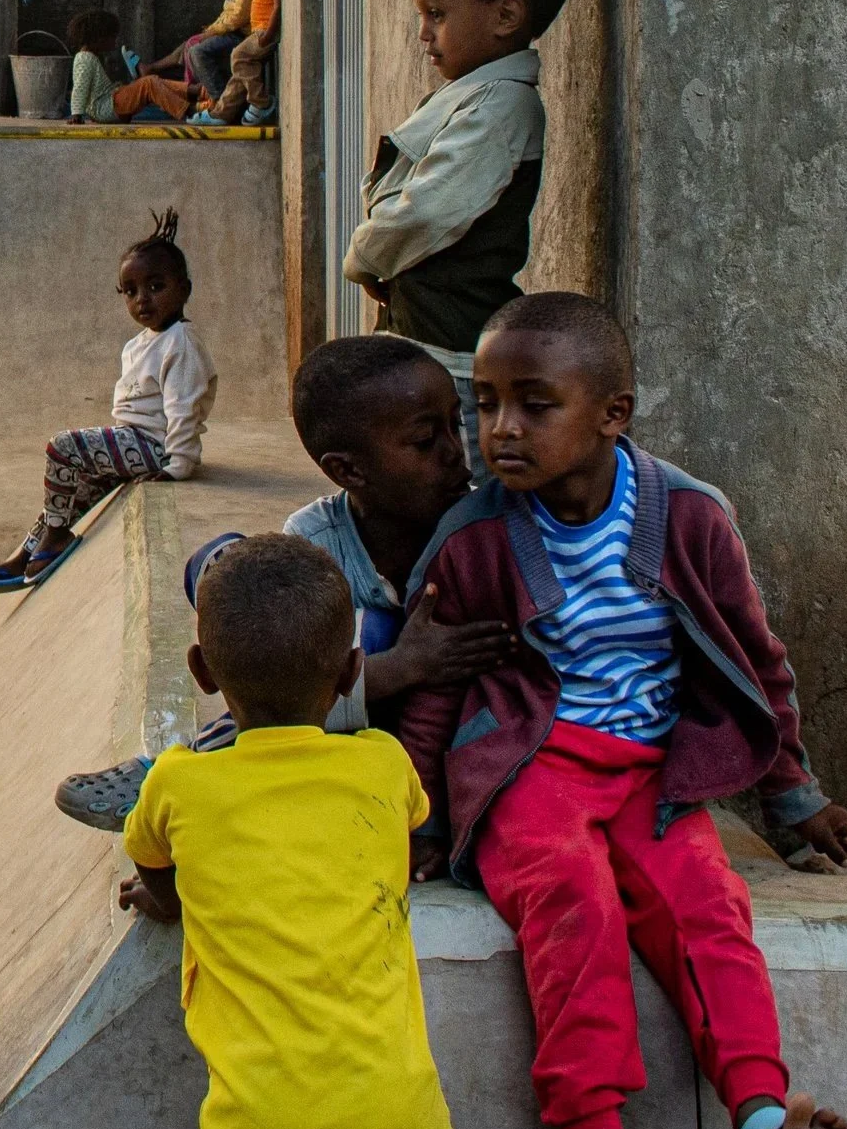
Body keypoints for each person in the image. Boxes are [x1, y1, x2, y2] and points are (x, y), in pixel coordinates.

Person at [396, 292, 847, 1129]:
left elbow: (754, 659)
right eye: (485, 404)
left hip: (657, 770)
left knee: (707, 901)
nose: (501, 430)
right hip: (533, 767)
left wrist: (791, 795)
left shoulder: (690, 518)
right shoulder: (475, 539)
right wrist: (418, 819)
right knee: (573, 899)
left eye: (534, 404)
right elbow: (435, 690)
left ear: (613, 414)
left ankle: (764, 1122)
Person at [119, 534, 478, 1129]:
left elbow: (159, 873)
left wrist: (169, 897)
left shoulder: (178, 784)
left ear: (202, 670)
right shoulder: (384, 770)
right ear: (354, 668)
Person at [55, 334, 517, 827]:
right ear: (346, 470)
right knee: (256, 590)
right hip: (329, 725)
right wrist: (404, 666)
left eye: (457, 424)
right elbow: (289, 686)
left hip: (440, 732)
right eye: (426, 440)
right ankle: (182, 771)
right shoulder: (317, 541)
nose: (455, 453)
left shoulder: (479, 531)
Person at [341, 0, 566, 482]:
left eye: (436, 14)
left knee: (458, 494)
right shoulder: (474, 95)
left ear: (506, 16)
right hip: (431, 339)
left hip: (454, 348)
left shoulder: (501, 105)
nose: (424, 35)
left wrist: (364, 257)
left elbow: (430, 211)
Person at [0, 211, 217, 592]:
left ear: (184, 289)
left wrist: (178, 465)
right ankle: (26, 553)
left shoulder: (181, 343)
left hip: (155, 449)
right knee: (72, 489)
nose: (142, 300)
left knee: (63, 448)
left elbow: (184, 407)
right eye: (131, 291)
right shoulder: (137, 346)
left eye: (155, 286)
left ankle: (55, 539)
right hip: (130, 442)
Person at [66, 9, 198, 124]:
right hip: (106, 107)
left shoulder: (91, 56)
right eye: (112, 37)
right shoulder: (84, 57)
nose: (115, 41)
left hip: (110, 104)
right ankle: (190, 111)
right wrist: (76, 114)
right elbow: (80, 87)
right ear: (99, 38)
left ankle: (198, 91)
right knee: (149, 83)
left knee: (156, 83)